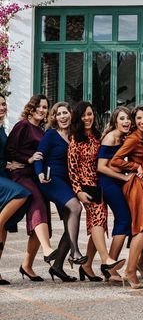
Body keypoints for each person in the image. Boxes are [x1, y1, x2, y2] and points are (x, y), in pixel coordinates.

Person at [68, 101, 125, 280]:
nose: (87, 118)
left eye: (90, 114)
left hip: (99, 183)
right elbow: (72, 168)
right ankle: (106, 260)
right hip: (85, 187)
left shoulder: (96, 136)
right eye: (84, 115)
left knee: (99, 222)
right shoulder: (74, 139)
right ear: (78, 117)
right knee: (98, 220)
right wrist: (78, 191)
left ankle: (86, 266)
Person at [111, 105, 143, 285]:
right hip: (136, 185)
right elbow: (115, 160)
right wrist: (135, 167)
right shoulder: (134, 138)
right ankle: (130, 271)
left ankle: (140, 263)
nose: (142, 121)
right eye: (139, 118)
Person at [7, 94, 57, 281]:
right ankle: (47, 248)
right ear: (32, 107)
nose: (42, 110)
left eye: (45, 108)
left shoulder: (42, 131)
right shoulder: (23, 126)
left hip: (36, 176)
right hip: (21, 175)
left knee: (43, 209)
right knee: (36, 201)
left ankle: (26, 265)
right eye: (40, 107)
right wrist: (27, 159)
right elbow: (10, 150)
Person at [36, 101, 85, 282]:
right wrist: (40, 173)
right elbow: (39, 156)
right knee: (76, 207)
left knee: (69, 225)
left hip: (67, 182)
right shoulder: (50, 134)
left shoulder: (73, 136)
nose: (63, 116)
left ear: (71, 115)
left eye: (66, 113)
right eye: (59, 114)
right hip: (51, 180)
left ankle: (57, 266)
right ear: (54, 117)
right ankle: (75, 251)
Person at [97, 107, 134, 285]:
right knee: (124, 219)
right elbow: (101, 166)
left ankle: (106, 264)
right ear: (115, 121)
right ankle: (110, 266)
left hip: (117, 182)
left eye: (128, 119)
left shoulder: (123, 137)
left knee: (124, 219)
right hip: (108, 183)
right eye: (122, 119)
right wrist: (123, 177)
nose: (126, 122)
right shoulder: (111, 137)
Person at [0, 93, 31, 285]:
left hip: (3, 174)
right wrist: (5, 165)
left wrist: (13, 163)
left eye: (3, 103)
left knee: (3, 229)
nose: (2, 107)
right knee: (21, 193)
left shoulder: (2, 128)